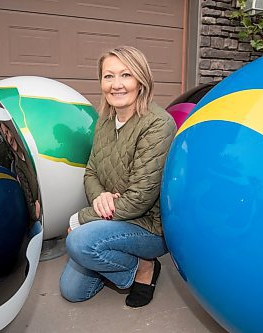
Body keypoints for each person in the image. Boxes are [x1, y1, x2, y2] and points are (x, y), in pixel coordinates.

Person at [59, 46, 176, 308]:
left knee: (78, 240)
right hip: (111, 217)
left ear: (141, 81)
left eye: (126, 75)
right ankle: (131, 266)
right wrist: (101, 196)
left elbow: (139, 199)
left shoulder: (158, 124)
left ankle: (146, 268)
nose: (116, 85)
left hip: (147, 226)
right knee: (72, 291)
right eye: (108, 76)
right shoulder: (104, 120)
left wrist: (81, 219)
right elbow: (91, 171)